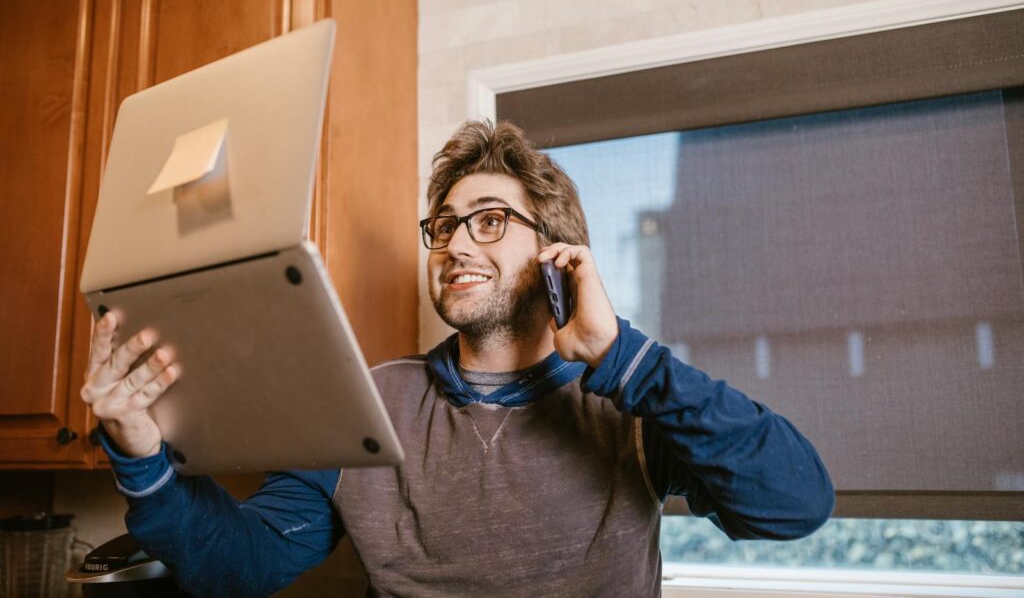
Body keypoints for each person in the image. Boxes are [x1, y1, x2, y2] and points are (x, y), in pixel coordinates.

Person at [81, 120, 834, 597]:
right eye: (443, 227)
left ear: (557, 253)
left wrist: (620, 354)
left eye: (491, 220)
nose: (456, 243)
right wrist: (143, 451)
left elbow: (796, 501)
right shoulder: (366, 404)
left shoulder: (628, 400)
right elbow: (233, 565)